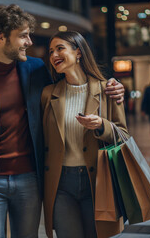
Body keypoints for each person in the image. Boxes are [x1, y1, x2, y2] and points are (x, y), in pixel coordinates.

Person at [0, 5, 125, 238]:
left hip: (30, 177)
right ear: (1, 37)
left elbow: (72, 85)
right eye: (23, 35)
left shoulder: (36, 68)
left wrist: (113, 87)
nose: (29, 41)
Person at [41, 31, 128, 238]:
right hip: (60, 183)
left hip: (98, 180)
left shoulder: (107, 89)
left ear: (78, 52)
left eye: (60, 48)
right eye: (51, 51)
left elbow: (123, 135)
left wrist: (101, 125)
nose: (54, 55)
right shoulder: (48, 94)